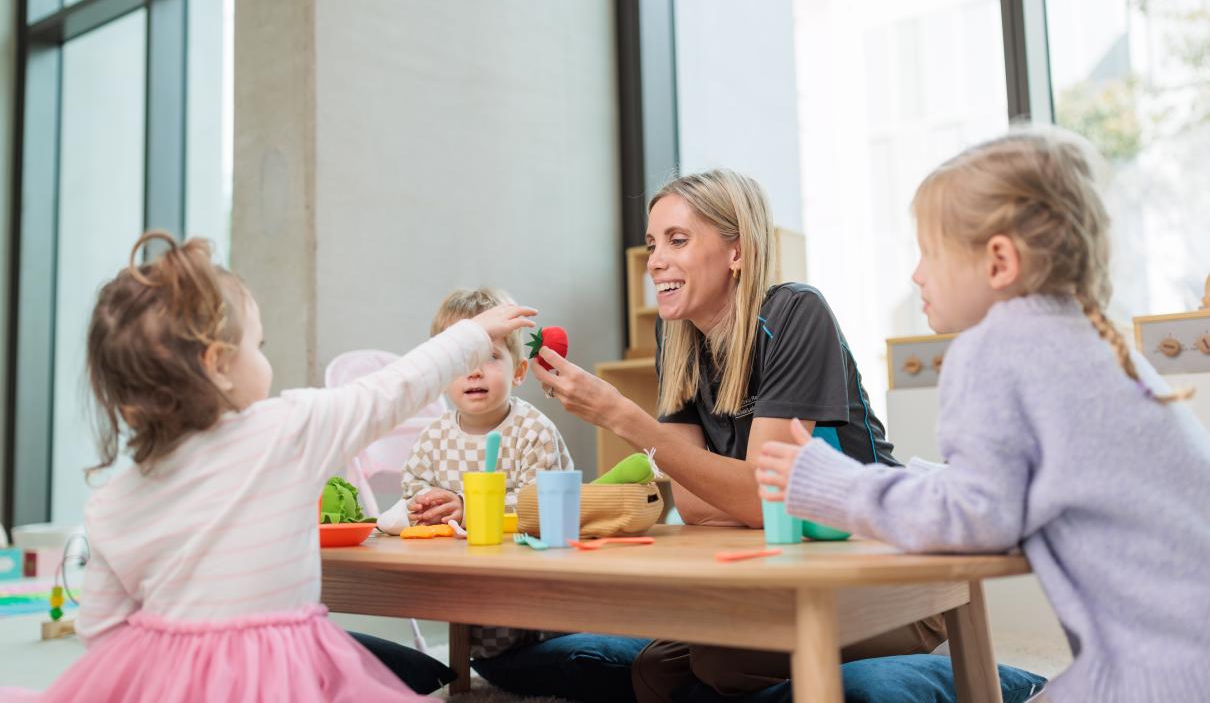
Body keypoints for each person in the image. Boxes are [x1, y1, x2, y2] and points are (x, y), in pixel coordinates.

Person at [753, 128, 1210, 702]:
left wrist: (832, 482)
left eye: (928, 252)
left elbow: (976, 519)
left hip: (1157, 676)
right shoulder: (1096, 341)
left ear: (998, 260)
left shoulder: (992, 346)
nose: (917, 274)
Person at [0, 232, 535, 702]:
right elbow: (391, 390)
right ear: (218, 366)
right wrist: (471, 337)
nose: (264, 356)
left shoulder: (113, 501)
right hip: (282, 673)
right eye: (257, 345)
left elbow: (103, 630)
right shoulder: (285, 432)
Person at [531, 169, 945, 702]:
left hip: (888, 566)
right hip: (799, 568)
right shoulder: (675, 335)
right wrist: (738, 490)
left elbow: (763, 498)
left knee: (720, 662)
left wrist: (622, 417)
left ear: (737, 252)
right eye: (653, 243)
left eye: (678, 240)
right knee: (657, 670)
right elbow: (697, 505)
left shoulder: (796, 313)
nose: (656, 260)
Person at [378, 286, 574, 662]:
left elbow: (539, 506)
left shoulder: (533, 431)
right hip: (467, 600)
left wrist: (468, 508)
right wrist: (426, 506)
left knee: (551, 659)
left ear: (518, 372)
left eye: (491, 356)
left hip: (538, 605)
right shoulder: (433, 437)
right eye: (463, 358)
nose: (474, 370)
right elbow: (415, 489)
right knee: (482, 657)